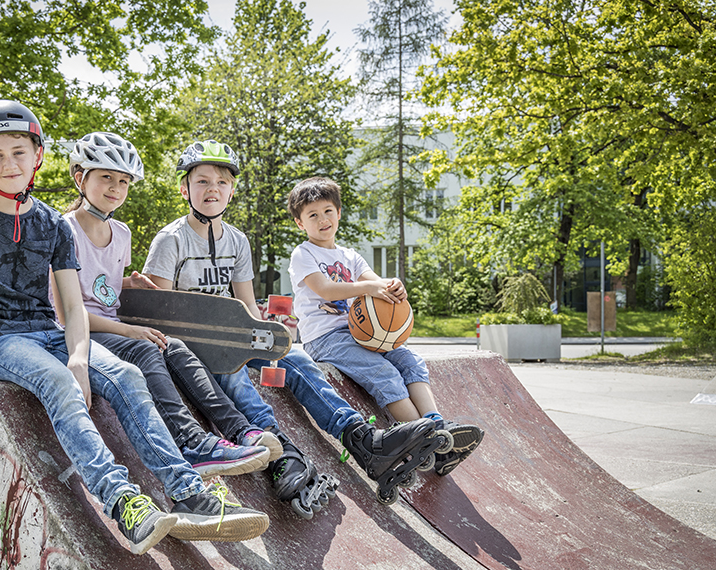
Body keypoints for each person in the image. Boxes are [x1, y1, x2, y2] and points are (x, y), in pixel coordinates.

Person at [0, 101, 267, 555]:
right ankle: (123, 500)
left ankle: (188, 490)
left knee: (127, 375)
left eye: (19, 152)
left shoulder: (51, 223)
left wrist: (80, 358)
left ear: (38, 157)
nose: (10, 163)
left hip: (46, 330)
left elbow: (71, 306)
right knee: (57, 381)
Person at [142, 140, 444, 515]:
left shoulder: (237, 241)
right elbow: (161, 314)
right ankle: (282, 454)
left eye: (221, 183)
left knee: (296, 359)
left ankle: (363, 440)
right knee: (234, 378)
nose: (212, 190)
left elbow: (247, 306)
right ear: (185, 189)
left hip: (235, 335)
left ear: (232, 191)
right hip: (193, 345)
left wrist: (271, 341)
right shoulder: (171, 239)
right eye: (202, 182)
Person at [55, 130, 281, 480]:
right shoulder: (63, 229)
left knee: (175, 348)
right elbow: (68, 310)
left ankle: (239, 430)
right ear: (79, 178)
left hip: (111, 328)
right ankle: (190, 442)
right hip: (79, 334)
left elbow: (100, 288)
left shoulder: (123, 233)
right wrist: (129, 329)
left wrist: (131, 285)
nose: (115, 187)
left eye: (123, 181)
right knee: (148, 350)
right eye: (105, 178)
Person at [286, 176, 484, 476]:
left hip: (359, 334)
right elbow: (325, 289)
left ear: (339, 213)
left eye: (328, 211)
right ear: (301, 224)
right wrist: (368, 289)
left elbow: (375, 282)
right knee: (385, 373)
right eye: (312, 215)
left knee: (408, 359)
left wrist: (393, 286)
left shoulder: (350, 255)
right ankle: (424, 440)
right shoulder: (303, 254)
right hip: (326, 338)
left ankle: (438, 429)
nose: (322, 220)